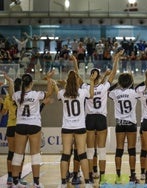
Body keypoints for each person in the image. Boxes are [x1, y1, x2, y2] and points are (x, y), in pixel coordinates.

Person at [54, 55, 96, 188]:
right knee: (82, 154)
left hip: (67, 127)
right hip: (80, 127)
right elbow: (92, 94)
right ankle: (88, 182)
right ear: (77, 80)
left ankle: (62, 182)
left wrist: (54, 84)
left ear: (67, 81)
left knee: (66, 155)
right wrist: (92, 81)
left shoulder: (63, 93)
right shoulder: (82, 92)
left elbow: (57, 92)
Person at [83, 49, 122, 185]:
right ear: (99, 77)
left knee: (90, 149)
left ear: (91, 76)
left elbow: (76, 77)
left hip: (89, 119)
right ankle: (103, 177)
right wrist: (116, 59)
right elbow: (113, 73)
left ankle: (90, 174)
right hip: (100, 118)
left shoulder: (85, 86)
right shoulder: (105, 86)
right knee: (101, 150)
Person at [11, 72, 54, 188]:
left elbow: (12, 95)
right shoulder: (36, 94)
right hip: (34, 125)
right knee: (35, 155)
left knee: (18, 154)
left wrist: (10, 82)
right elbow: (50, 93)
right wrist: (49, 79)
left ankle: (15, 182)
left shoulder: (17, 95)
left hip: (20, 125)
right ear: (31, 83)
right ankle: (36, 183)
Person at [108, 73, 139, 184]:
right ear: (131, 82)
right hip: (131, 123)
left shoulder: (115, 93)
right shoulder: (134, 92)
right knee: (131, 150)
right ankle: (132, 176)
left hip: (120, 123)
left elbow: (107, 91)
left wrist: (117, 84)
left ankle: (118, 176)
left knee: (119, 150)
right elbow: (140, 91)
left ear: (120, 82)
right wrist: (131, 85)